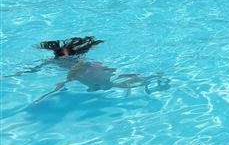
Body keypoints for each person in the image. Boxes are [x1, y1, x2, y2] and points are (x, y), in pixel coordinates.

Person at [14, 37, 169, 102]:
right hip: (93, 72)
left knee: (114, 83)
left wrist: (49, 94)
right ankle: (150, 78)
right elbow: (35, 68)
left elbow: (70, 76)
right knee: (115, 82)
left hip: (92, 71)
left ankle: (150, 78)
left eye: (67, 57)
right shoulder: (52, 61)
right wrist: (15, 74)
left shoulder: (77, 62)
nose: (65, 60)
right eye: (63, 58)